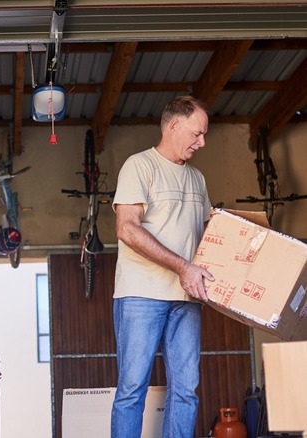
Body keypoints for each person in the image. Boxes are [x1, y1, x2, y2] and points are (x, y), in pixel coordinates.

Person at [110, 95, 215, 438]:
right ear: (174, 126)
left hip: (187, 298)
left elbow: (211, 234)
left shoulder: (197, 179)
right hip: (141, 294)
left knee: (186, 391)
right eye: (197, 134)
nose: (202, 142)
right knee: (132, 390)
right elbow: (126, 227)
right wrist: (183, 267)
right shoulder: (140, 166)